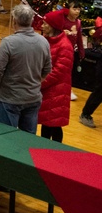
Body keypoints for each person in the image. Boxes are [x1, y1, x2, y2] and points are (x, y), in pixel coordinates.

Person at [0, 4, 52, 134]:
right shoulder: (43, 41)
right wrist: (33, 84)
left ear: (15, 21)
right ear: (32, 21)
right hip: (33, 98)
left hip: (9, 98)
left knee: (6, 139)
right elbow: (47, 69)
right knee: (27, 142)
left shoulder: (8, 42)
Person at [38, 10, 74, 142]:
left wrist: (40, 83)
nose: (42, 26)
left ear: (53, 26)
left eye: (45, 23)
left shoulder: (65, 46)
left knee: (54, 125)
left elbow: (59, 71)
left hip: (57, 91)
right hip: (47, 89)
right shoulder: (47, 40)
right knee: (46, 123)